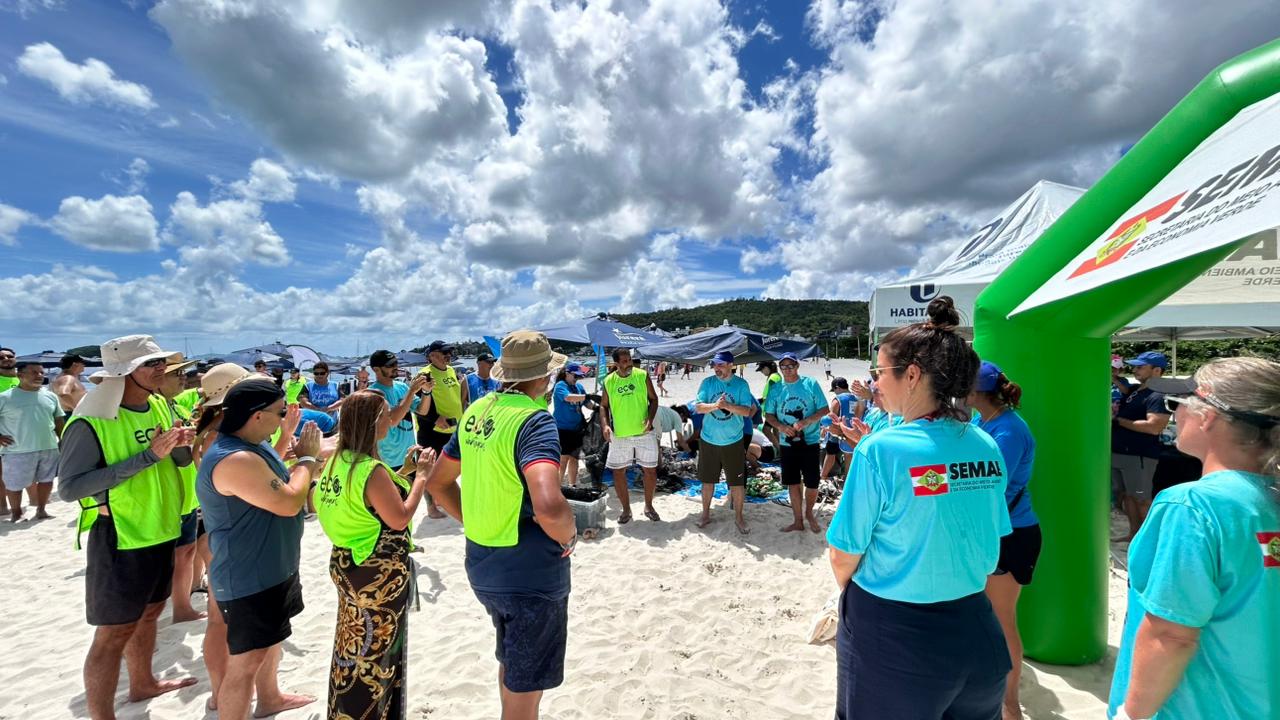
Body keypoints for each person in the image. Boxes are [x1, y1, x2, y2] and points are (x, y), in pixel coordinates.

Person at [827, 297, 1011, 719]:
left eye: (878, 372)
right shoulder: (984, 443)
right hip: (976, 626)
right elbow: (990, 537)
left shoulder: (880, 449)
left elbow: (843, 556)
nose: (875, 384)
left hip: (896, 633)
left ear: (911, 375)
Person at [1108, 358, 1280, 720]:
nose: (1174, 414)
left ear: (1208, 417)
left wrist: (1131, 713)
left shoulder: (1192, 506)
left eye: (1177, 404)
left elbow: (1171, 635)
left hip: (1194, 707)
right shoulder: (1266, 500)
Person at [426, 330, 577, 720]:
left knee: (513, 661)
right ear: (544, 377)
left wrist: (477, 520)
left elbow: (438, 483)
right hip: (529, 571)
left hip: (483, 562)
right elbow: (549, 506)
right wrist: (569, 535)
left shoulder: (477, 410)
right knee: (527, 683)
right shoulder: (534, 420)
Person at [56, 336, 198, 720]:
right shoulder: (90, 421)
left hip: (161, 527)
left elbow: (180, 462)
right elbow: (71, 488)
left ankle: (143, 683)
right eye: (150, 363)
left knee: (150, 614)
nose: (161, 369)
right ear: (123, 372)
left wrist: (181, 442)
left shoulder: (159, 405)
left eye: (160, 361)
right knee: (112, 633)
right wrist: (149, 455)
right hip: (121, 534)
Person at [197, 379, 319, 719]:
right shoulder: (234, 457)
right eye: (280, 412)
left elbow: (272, 481)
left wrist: (302, 454)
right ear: (256, 416)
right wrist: (307, 459)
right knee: (245, 665)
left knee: (269, 644)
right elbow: (289, 502)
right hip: (249, 576)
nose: (284, 418)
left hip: (272, 567)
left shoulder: (253, 444)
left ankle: (270, 699)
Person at [314, 390, 438, 719]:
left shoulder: (337, 461)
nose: (391, 421)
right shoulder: (370, 469)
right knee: (377, 656)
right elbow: (399, 517)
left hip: (346, 561)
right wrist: (422, 477)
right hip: (376, 573)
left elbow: (368, 503)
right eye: (385, 415)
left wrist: (406, 472)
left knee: (349, 647)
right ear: (371, 423)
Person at [970, 361, 1040, 720]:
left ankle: (1010, 704)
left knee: (1002, 619)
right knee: (987, 616)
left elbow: (989, 485)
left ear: (975, 391)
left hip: (1012, 533)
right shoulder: (984, 421)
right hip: (995, 531)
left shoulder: (1009, 430)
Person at [157, 359, 206, 623]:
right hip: (168, 496)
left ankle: (182, 606)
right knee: (171, 557)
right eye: (176, 373)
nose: (183, 377)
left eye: (183, 372)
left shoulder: (177, 406)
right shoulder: (153, 409)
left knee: (187, 552)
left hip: (188, 494)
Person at [765, 352, 830, 533]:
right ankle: (798, 520)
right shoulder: (776, 388)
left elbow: (824, 409)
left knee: (812, 482)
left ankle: (809, 513)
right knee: (793, 482)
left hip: (810, 441)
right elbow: (768, 415)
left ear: (797, 366)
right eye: (783, 366)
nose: (787, 369)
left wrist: (806, 421)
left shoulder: (810, 384)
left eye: (791, 366)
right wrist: (781, 427)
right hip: (787, 444)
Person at [693, 351, 756, 533]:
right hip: (709, 440)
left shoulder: (741, 384)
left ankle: (739, 518)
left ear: (730, 365)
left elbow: (747, 411)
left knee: (737, 483)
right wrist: (715, 405)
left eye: (720, 364)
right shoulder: (707, 383)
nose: (716, 368)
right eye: (714, 365)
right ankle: (705, 514)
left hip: (733, 441)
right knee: (707, 481)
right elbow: (698, 407)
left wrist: (727, 406)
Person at [1112, 351, 1172, 540]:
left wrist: (1118, 421)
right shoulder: (1136, 391)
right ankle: (1134, 535)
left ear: (1157, 370)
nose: (1135, 370)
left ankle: (1153, 540)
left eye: (1140, 367)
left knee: (1141, 498)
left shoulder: (1158, 395)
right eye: (1135, 366)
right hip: (1123, 453)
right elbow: (1121, 387)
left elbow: (1154, 427)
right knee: (1128, 496)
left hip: (1139, 455)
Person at [600, 347, 661, 523]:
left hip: (644, 433)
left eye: (630, 360)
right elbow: (603, 406)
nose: (629, 364)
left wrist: (650, 419)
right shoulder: (609, 381)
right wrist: (605, 425)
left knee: (650, 470)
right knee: (618, 471)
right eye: (624, 361)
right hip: (620, 435)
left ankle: (649, 506)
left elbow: (654, 399)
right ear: (616, 363)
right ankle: (626, 510)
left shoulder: (642, 375)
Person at [0, 360, 64, 521]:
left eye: (41, 372)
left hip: (49, 447)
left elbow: (58, 420)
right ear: (20, 375)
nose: (39, 375)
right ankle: (16, 514)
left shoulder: (50, 396)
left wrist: (63, 440)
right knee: (14, 484)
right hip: (17, 449)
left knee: (47, 480)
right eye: (34, 372)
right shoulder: (5, 397)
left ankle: (41, 510)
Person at [369, 350, 431, 482]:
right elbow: (392, 420)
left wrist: (426, 392)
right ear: (376, 369)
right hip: (388, 459)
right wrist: (412, 391)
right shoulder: (373, 393)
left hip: (409, 457)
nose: (395, 367)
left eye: (396, 363)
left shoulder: (402, 387)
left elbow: (422, 410)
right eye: (390, 365)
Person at [416, 341, 468, 456]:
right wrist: (435, 418)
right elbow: (417, 405)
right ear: (432, 356)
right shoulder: (425, 374)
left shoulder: (451, 370)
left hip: (454, 430)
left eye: (450, 351)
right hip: (434, 433)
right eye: (444, 352)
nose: (448, 354)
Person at [553, 363, 591, 485]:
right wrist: (586, 396)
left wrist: (597, 406)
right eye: (575, 376)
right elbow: (568, 398)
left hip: (577, 429)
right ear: (567, 374)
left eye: (579, 377)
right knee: (563, 459)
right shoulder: (560, 386)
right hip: (563, 429)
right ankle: (558, 486)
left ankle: (572, 485)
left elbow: (587, 403)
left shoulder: (579, 387)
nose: (577, 379)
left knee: (574, 458)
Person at [823, 377, 858, 482]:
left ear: (837, 387)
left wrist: (824, 429)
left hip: (837, 430)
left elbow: (831, 416)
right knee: (849, 456)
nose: (835, 392)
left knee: (830, 453)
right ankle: (848, 480)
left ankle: (823, 476)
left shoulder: (838, 399)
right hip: (852, 431)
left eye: (834, 390)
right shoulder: (856, 398)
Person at [756, 360, 783, 448]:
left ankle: (779, 450)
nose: (761, 372)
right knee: (775, 429)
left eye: (762, 369)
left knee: (766, 430)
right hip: (776, 408)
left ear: (767, 368)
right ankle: (780, 449)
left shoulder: (773, 377)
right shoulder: (776, 375)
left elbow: (774, 393)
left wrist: (761, 400)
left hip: (773, 410)